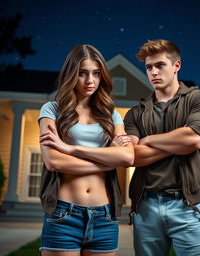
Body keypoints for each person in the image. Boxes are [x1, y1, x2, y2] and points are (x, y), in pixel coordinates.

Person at [123, 39, 200, 256]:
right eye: (149, 67)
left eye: (160, 65)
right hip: (145, 207)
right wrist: (179, 142)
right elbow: (131, 157)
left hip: (187, 205)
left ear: (177, 66)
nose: (153, 72)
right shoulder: (135, 114)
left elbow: (194, 140)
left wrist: (148, 140)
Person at [38, 44, 134, 256]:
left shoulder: (111, 116)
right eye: (82, 73)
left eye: (96, 74)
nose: (90, 81)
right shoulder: (52, 110)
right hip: (64, 214)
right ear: (71, 74)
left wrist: (70, 149)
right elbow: (54, 162)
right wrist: (108, 159)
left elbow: (126, 156)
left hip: (105, 216)